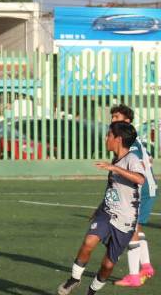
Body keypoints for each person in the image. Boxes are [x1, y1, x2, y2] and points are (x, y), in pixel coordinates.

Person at [57, 121, 146, 295]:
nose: (106, 138)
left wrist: (114, 168)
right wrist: (100, 207)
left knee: (107, 265)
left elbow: (140, 179)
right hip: (107, 212)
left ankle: (91, 292)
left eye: (109, 135)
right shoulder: (116, 159)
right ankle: (74, 279)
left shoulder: (132, 158)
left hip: (126, 221)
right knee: (89, 241)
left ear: (118, 139)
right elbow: (113, 189)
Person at [109, 105, 157, 287]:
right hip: (147, 189)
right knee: (136, 229)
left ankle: (134, 276)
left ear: (127, 121)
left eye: (116, 117)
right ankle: (146, 267)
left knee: (130, 230)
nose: (113, 120)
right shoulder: (134, 141)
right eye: (112, 117)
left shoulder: (129, 144)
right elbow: (149, 158)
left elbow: (138, 168)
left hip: (141, 191)